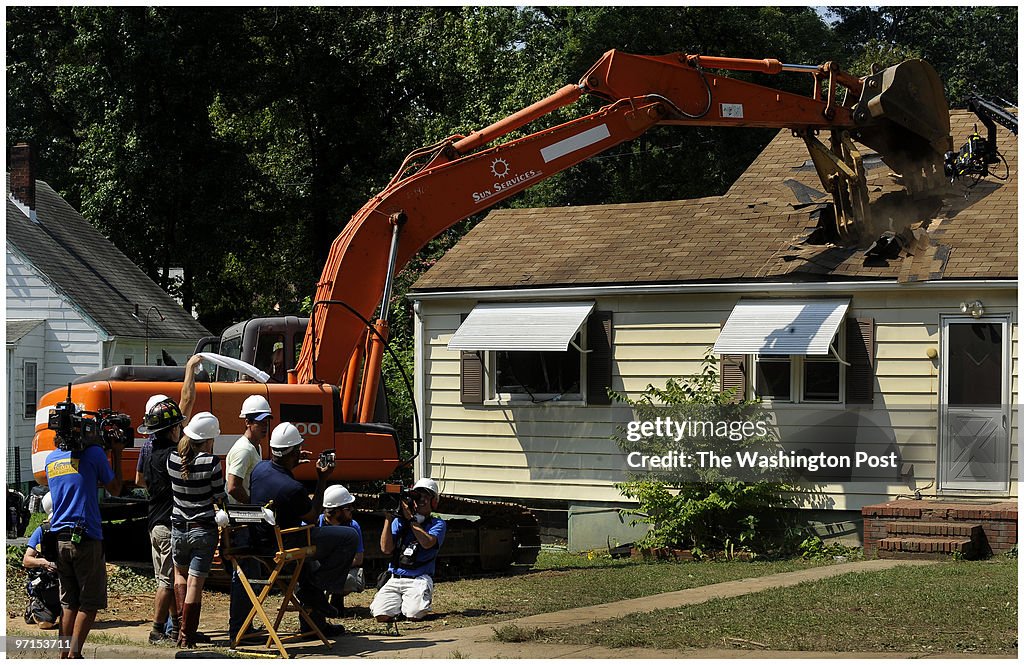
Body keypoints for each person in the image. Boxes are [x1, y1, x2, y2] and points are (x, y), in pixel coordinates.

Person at [249, 423, 358, 638]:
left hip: (258, 539)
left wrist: (293, 463)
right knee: (348, 537)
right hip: (283, 542)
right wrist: (322, 479)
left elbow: (278, 480)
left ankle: (313, 624)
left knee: (311, 565)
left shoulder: (259, 469)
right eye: (298, 449)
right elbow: (313, 514)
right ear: (293, 452)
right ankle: (314, 593)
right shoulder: (293, 488)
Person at [44, 406, 124, 658]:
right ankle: (74, 656)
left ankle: (63, 654)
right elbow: (116, 488)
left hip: (58, 540)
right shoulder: (94, 454)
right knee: (89, 603)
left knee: (69, 603)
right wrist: (117, 454)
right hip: (85, 538)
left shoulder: (51, 460)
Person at [167, 411, 226, 649]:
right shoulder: (211, 463)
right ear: (209, 439)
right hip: (203, 529)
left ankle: (180, 631)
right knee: (195, 584)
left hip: (178, 527)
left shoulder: (172, 459)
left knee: (180, 577)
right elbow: (219, 496)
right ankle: (187, 636)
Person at [134, 396, 185, 644]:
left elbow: (139, 480)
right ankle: (156, 631)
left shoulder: (150, 452)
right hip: (168, 524)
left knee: (167, 579)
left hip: (154, 523)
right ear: (173, 429)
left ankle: (175, 627)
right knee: (167, 583)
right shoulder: (173, 456)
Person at [225, 394, 272, 641]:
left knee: (251, 575)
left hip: (249, 515)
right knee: (244, 575)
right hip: (243, 517)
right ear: (248, 422)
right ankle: (238, 630)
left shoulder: (257, 446)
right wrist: (254, 507)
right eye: (260, 422)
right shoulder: (243, 450)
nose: (265, 426)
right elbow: (233, 486)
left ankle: (245, 627)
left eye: (267, 421)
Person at [370, 478, 446, 623]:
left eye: (426, 496)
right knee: (380, 615)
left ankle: (411, 606)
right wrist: (388, 518)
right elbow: (386, 549)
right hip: (395, 577)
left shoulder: (437, 523)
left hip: (418, 578)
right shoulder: (399, 522)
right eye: (417, 496)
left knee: (414, 615)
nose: (421, 500)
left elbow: (427, 543)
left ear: (434, 502)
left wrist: (411, 519)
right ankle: (399, 606)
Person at [319, 485, 365, 614]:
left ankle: (336, 597)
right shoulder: (316, 524)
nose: (352, 510)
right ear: (337, 511)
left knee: (351, 579)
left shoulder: (353, 526)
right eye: (348, 508)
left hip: (341, 569)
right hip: (318, 570)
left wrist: (334, 568)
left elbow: (358, 558)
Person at [23, 492, 61, 630]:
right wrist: (44, 563)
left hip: (68, 586)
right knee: (46, 624)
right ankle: (35, 605)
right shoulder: (42, 531)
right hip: (49, 587)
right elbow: (26, 560)